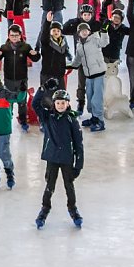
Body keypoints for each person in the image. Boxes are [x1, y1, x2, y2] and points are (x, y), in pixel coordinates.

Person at [31, 81, 84, 229]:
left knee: (69, 186)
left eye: (63, 103)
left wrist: (78, 165)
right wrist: (43, 89)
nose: (60, 105)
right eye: (58, 103)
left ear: (68, 104)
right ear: (54, 104)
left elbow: (79, 144)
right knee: (50, 185)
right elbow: (35, 104)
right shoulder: (48, 117)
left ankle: (73, 209)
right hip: (52, 158)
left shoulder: (71, 120)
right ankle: (45, 209)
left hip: (67, 159)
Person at [0, 24, 40, 131]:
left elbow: (35, 59)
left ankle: (23, 120)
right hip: (9, 79)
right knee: (8, 100)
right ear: (9, 36)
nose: (14, 37)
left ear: (20, 36)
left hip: (22, 80)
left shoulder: (26, 47)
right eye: (12, 35)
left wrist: (36, 54)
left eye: (16, 35)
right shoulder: (4, 47)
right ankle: (8, 118)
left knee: (22, 101)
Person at [69, 20, 109, 131]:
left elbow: (104, 43)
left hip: (99, 74)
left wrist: (104, 32)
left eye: (86, 30)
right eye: (82, 31)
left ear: (89, 31)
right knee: (90, 98)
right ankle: (94, 117)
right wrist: (71, 66)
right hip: (89, 76)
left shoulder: (95, 39)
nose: (84, 32)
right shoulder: (79, 46)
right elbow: (77, 59)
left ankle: (100, 121)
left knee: (97, 99)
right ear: (78, 33)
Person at [38, 13, 70, 90]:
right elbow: (44, 34)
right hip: (47, 75)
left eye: (58, 31)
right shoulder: (47, 42)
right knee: (47, 98)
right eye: (53, 30)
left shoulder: (63, 44)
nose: (56, 32)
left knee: (60, 97)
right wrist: (48, 22)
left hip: (59, 75)